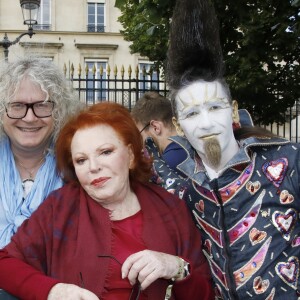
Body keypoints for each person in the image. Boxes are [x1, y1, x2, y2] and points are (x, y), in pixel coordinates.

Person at [144, 0, 300, 299]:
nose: (205, 124)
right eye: (191, 114)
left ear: (233, 111)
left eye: (214, 107)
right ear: (178, 124)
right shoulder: (175, 182)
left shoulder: (288, 161)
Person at [0, 102, 214, 300]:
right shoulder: (60, 207)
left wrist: (175, 267)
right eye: (81, 160)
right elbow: (5, 263)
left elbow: (205, 294)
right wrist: (54, 291)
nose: (93, 167)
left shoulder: (170, 208)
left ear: (130, 155)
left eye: (105, 152)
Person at [0, 56, 83, 249]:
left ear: (59, 110)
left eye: (42, 105)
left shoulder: (78, 165)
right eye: (17, 105)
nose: (29, 118)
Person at [131, 91, 187, 177]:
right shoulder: (196, 151)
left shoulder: (163, 168)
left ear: (155, 127)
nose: (139, 144)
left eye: (139, 135)